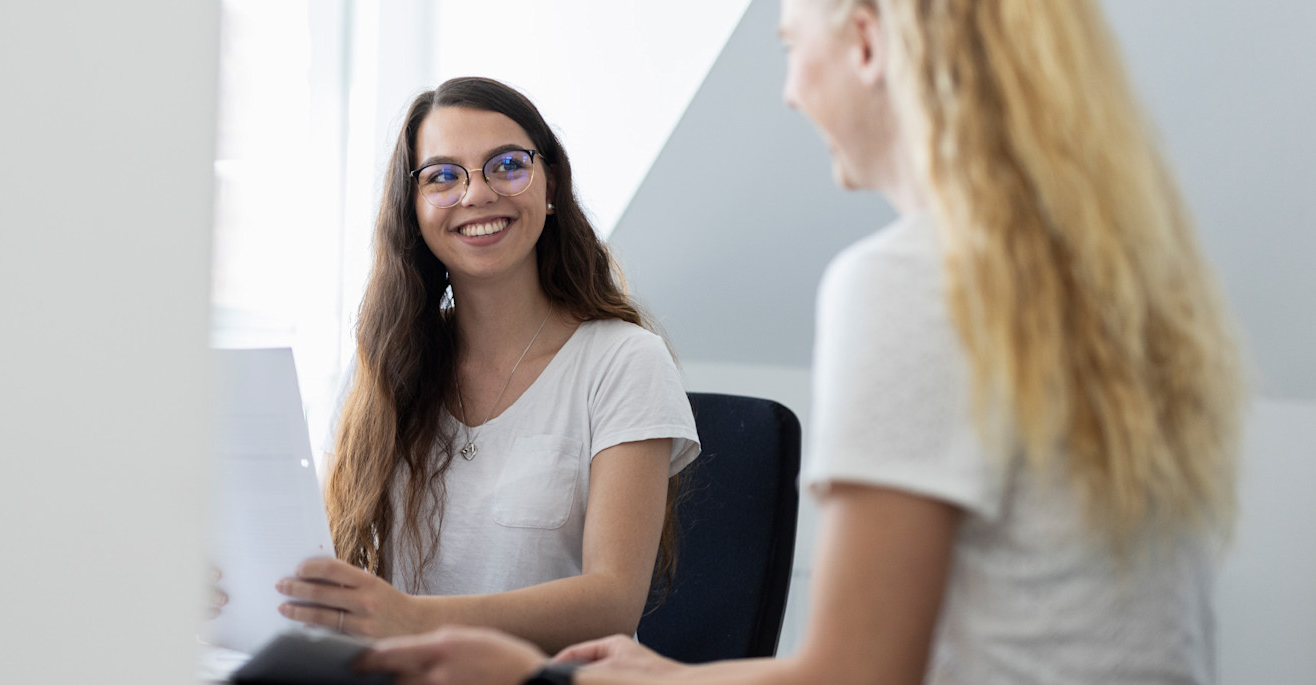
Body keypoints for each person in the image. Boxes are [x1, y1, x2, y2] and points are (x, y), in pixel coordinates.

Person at [355, 0, 1245, 683]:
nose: (788, 90)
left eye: (789, 46)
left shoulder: (908, 280)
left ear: (863, 43)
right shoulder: (1122, 273)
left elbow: (859, 669)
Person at [273, 76, 700, 653]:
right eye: (443, 176)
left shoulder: (624, 361)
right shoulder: (384, 366)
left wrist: (408, 618)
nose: (476, 194)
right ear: (415, 208)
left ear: (549, 185)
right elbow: (321, 559)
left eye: (506, 165)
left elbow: (612, 604)